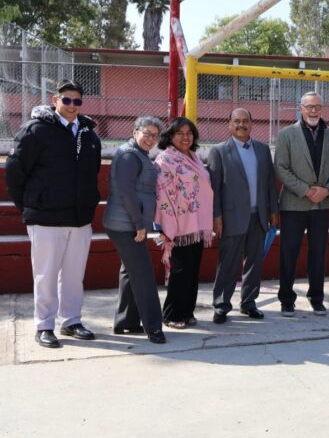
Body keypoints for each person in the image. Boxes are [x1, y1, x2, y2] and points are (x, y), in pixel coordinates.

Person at [5, 80, 101, 348]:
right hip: (45, 218)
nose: (72, 106)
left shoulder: (88, 133)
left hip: (79, 218)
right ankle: (44, 325)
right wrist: (29, 207)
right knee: (45, 275)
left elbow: (91, 172)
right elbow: (15, 172)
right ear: (55, 100)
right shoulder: (35, 130)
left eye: (77, 101)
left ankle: (71, 320)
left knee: (73, 275)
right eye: (66, 100)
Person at [207, 108, 279, 324]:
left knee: (254, 263)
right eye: (236, 121)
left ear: (251, 123)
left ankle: (248, 303)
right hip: (231, 218)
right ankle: (221, 305)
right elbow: (215, 188)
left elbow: (269, 183)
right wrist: (216, 216)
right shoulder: (218, 151)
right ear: (229, 124)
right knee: (228, 264)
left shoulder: (263, 149)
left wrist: (273, 210)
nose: (241, 125)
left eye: (245, 121)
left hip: (259, 216)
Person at [274, 91, 329, 317]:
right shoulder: (286, 135)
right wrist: (306, 190)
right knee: (289, 253)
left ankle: (317, 298)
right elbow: (281, 168)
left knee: (318, 253)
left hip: (322, 205)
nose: (313, 111)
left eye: (317, 107)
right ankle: (286, 299)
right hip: (294, 204)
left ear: (322, 109)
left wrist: (327, 190)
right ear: (300, 108)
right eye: (309, 106)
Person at [103, 116, 166, 344]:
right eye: (146, 133)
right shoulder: (129, 155)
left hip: (128, 223)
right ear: (135, 131)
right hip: (126, 225)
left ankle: (126, 322)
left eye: (155, 135)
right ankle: (154, 327)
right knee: (143, 274)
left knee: (130, 272)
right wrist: (139, 223)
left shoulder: (138, 154)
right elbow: (126, 193)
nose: (151, 138)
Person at [154, 117, 214, 330]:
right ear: (170, 136)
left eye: (189, 133)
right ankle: (171, 314)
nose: (185, 137)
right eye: (180, 133)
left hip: (197, 224)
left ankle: (187, 311)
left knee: (192, 269)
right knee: (180, 271)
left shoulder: (194, 157)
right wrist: (169, 226)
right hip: (179, 224)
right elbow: (164, 194)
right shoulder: (166, 160)